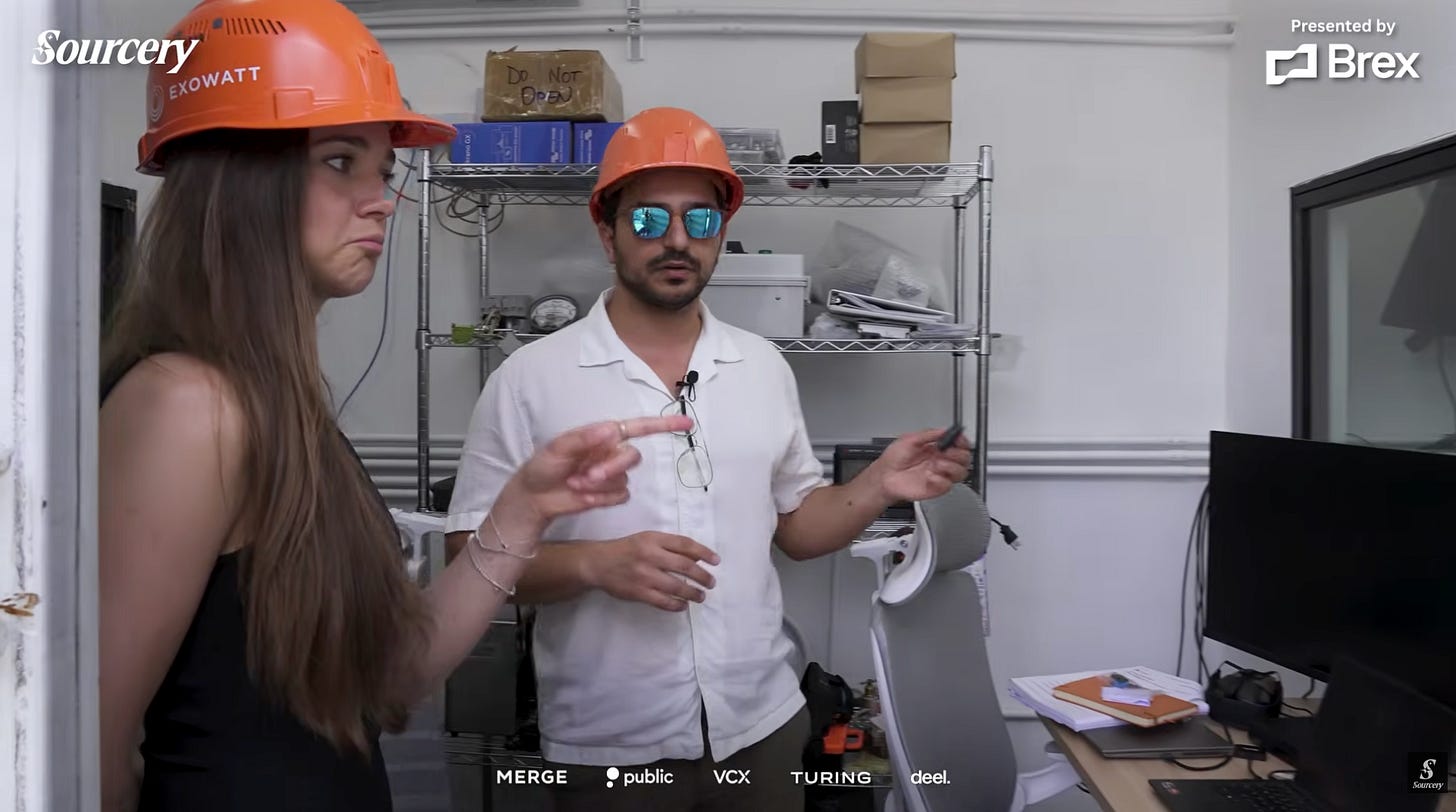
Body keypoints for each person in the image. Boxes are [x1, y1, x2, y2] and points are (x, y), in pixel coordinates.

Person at [97, 2, 690, 810]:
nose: (381, 199)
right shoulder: (184, 408)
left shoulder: (281, 405)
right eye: (341, 161)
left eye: (382, 171)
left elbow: (390, 680)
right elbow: (87, 742)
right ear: (235, 176)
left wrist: (525, 508)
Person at [444, 106, 972, 811]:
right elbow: (467, 557)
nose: (675, 240)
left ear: (720, 233)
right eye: (647, 219)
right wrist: (595, 564)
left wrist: (879, 484)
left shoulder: (761, 367)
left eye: (699, 219)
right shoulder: (530, 379)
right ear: (606, 231)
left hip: (761, 727)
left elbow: (798, 527)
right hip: (610, 744)